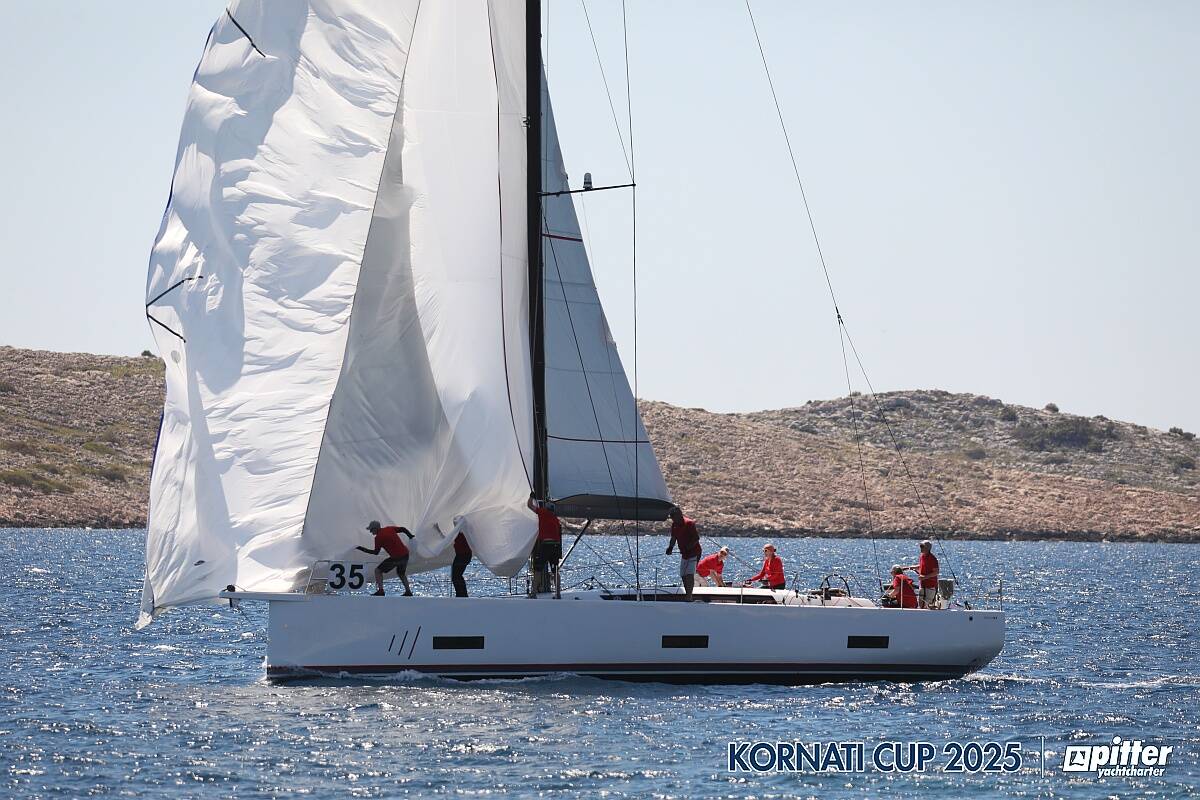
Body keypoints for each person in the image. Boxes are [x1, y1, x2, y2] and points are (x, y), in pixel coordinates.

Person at [357, 520, 415, 596]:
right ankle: (408, 591)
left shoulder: (378, 538)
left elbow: (376, 552)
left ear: (375, 528)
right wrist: (410, 536)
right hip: (405, 554)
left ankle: (381, 591)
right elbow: (403, 529)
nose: (371, 532)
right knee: (401, 573)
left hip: (396, 558)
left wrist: (362, 549)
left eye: (371, 530)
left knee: (378, 571)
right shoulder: (389, 529)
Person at [528, 494, 562, 597]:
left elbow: (529, 505)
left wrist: (531, 497)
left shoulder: (543, 512)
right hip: (555, 546)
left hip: (545, 545)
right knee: (555, 570)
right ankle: (558, 593)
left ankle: (533, 593)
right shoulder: (555, 519)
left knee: (538, 570)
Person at [665, 506, 702, 600]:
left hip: (694, 552)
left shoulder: (689, 523)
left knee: (689, 574)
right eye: (671, 517)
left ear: (679, 515)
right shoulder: (674, 525)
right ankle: (688, 594)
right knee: (683, 574)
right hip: (684, 554)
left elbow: (696, 539)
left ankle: (689, 596)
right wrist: (670, 547)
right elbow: (673, 538)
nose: (673, 518)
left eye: (673, 516)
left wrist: (688, 547)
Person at [903, 540, 940, 609]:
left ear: (928, 548)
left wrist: (925, 577)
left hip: (930, 586)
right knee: (921, 604)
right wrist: (908, 568)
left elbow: (936, 572)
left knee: (927, 605)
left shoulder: (933, 559)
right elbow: (920, 566)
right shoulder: (922, 556)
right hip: (922, 585)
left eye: (922, 546)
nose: (921, 548)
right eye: (920, 546)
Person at [451, 530, 472, 598]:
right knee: (456, 576)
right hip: (461, 555)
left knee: (456, 576)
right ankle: (461, 594)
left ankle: (462, 595)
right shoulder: (456, 533)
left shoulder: (461, 532)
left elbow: (446, 539)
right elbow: (446, 538)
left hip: (464, 555)